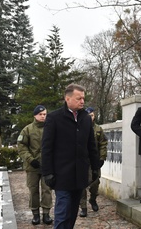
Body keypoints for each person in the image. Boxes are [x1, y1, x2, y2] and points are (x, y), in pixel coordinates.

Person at [41, 84, 101, 229]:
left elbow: (91, 146)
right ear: (67, 99)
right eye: (78, 98)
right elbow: (46, 148)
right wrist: (47, 172)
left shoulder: (86, 118)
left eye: (83, 98)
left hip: (80, 174)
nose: (82, 101)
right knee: (62, 212)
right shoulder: (54, 118)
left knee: (73, 212)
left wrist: (95, 169)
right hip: (62, 175)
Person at [17, 105, 53, 225]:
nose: (43, 116)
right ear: (35, 115)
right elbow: (21, 147)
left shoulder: (51, 128)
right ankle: (35, 214)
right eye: (40, 114)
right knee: (33, 191)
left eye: (45, 114)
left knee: (47, 190)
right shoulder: (27, 130)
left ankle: (46, 214)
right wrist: (30, 159)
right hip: (32, 166)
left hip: (47, 166)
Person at [79, 107, 108, 217]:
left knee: (95, 183)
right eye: (88, 115)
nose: (90, 118)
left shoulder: (98, 129)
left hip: (94, 161)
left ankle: (93, 199)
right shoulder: (79, 128)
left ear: (94, 116)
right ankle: (83, 207)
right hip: (82, 161)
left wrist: (102, 158)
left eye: (91, 115)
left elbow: (103, 144)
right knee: (81, 185)